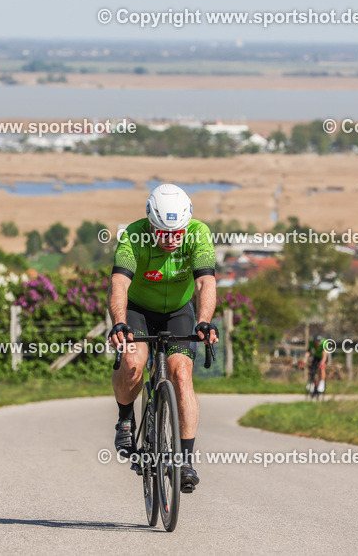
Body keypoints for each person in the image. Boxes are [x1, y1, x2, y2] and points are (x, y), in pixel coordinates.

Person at [108, 183, 218, 493]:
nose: (170, 239)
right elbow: (119, 283)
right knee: (132, 362)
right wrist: (119, 322)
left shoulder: (198, 233)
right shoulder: (134, 235)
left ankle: (184, 461)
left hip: (177, 311)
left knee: (181, 374)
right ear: (151, 225)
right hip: (138, 310)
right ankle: (125, 420)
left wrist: (205, 320)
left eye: (177, 232)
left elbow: (205, 283)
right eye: (163, 232)